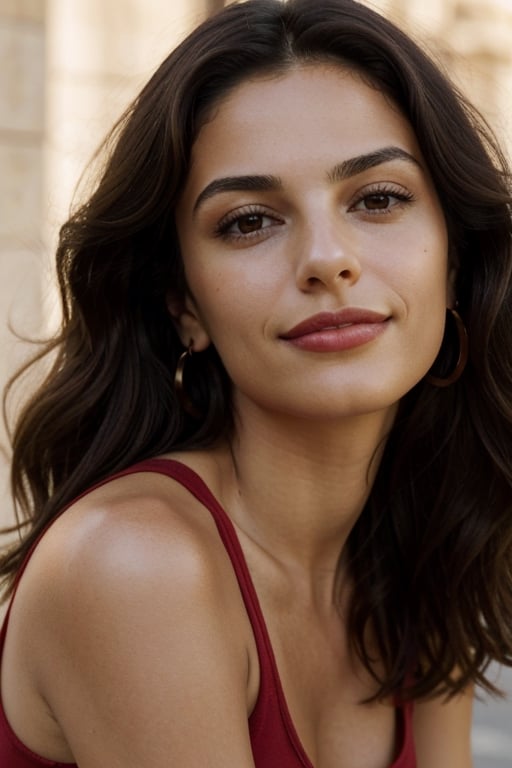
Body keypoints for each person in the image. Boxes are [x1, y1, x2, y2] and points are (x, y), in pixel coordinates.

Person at [1, 0, 512, 765]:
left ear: (456, 265)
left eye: (378, 199)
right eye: (248, 221)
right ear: (184, 308)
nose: (325, 259)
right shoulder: (135, 566)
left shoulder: (420, 550)